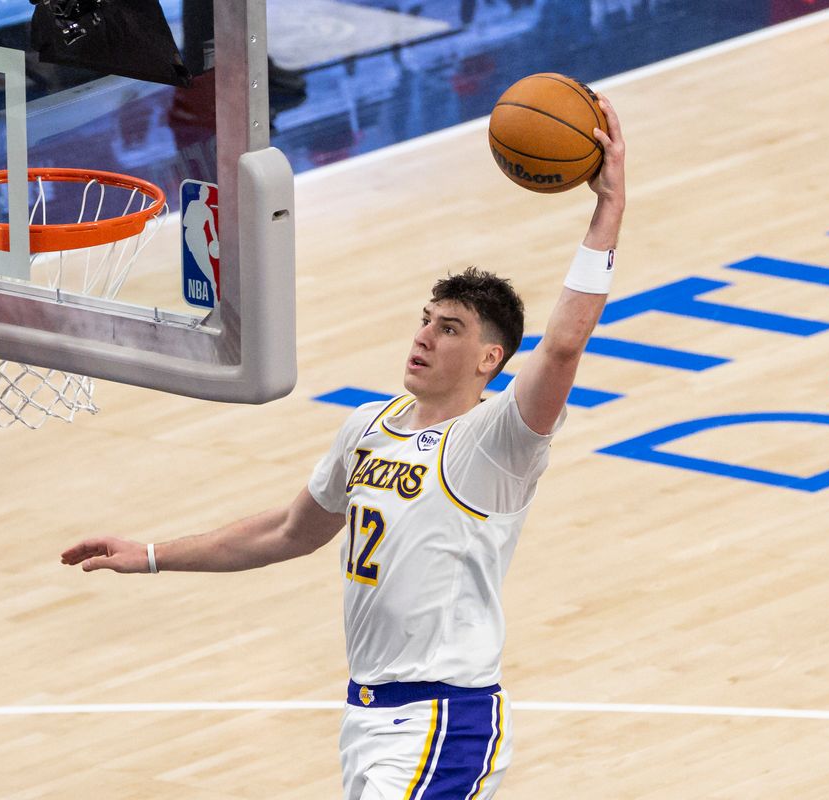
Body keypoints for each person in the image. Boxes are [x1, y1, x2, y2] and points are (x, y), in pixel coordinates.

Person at [62, 95, 626, 798]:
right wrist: (149, 556)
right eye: (425, 319)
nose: (423, 335)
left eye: (449, 328)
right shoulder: (367, 427)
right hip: (366, 720)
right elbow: (287, 530)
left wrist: (607, 208)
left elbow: (566, 344)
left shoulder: (496, 442)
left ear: (490, 359)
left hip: (442, 721)